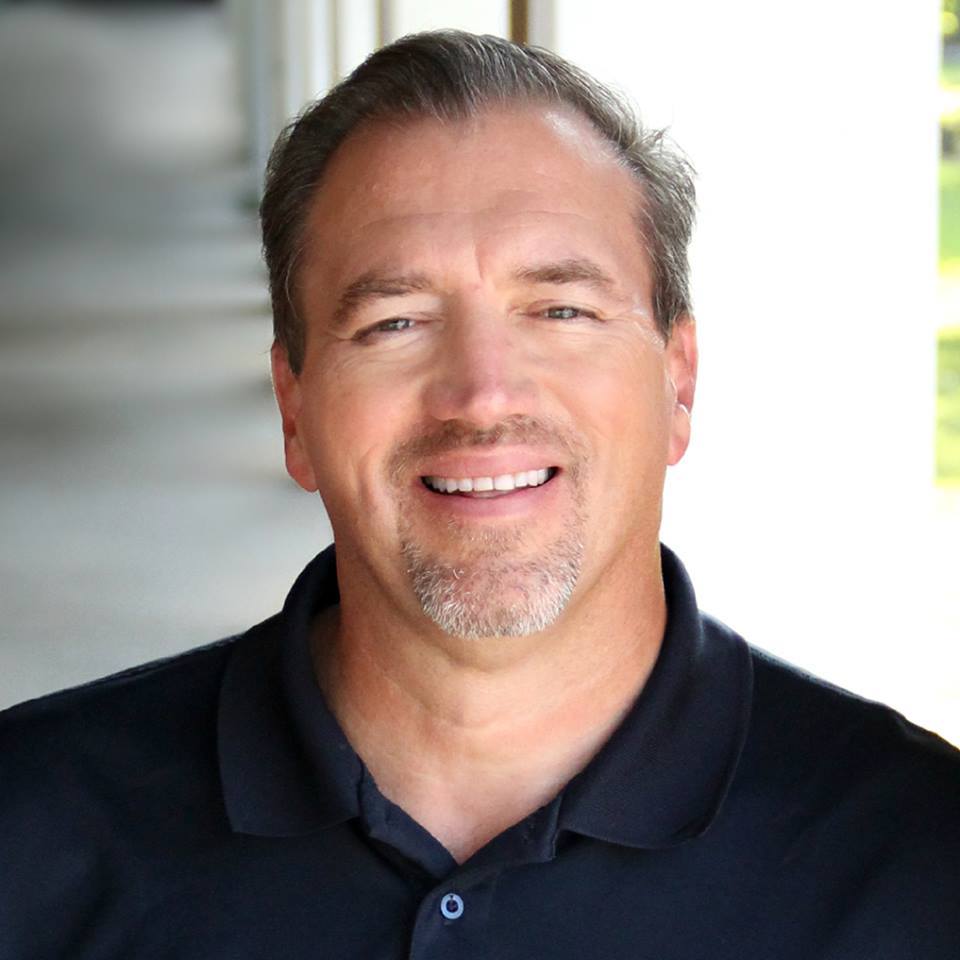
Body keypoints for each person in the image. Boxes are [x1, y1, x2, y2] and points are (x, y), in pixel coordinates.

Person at [1, 30, 957, 960]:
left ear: (679, 382)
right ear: (295, 408)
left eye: (561, 310)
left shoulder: (919, 862)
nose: (483, 394)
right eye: (396, 321)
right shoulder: (30, 828)